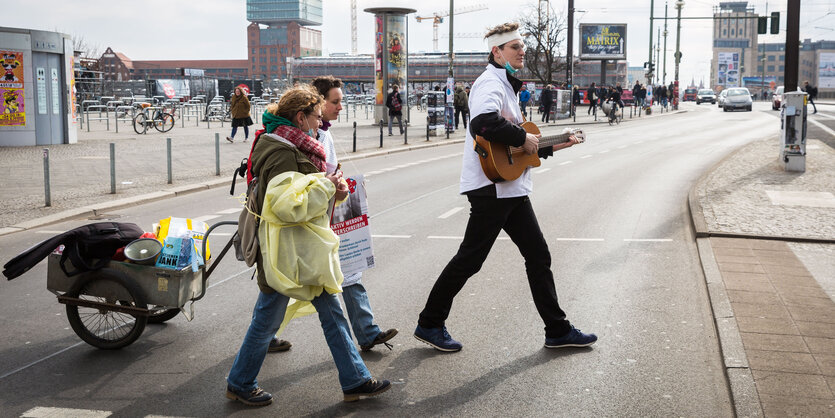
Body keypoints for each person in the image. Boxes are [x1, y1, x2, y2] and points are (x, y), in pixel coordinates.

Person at [413, 22, 597, 353]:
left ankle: (557, 329)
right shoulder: (490, 83)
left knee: (537, 255)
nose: (522, 51)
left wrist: (553, 145)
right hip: (490, 188)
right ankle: (429, 323)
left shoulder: (507, 86)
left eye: (522, 47)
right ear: (497, 52)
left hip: (509, 187)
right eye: (515, 47)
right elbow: (482, 123)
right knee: (471, 259)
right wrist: (523, 137)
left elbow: (515, 150)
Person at [225, 86, 391, 406]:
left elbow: (302, 195)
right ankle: (240, 381)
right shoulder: (283, 153)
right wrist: (328, 188)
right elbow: (287, 207)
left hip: (299, 250)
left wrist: (332, 190)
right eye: (316, 116)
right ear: (300, 117)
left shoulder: (286, 144)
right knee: (269, 319)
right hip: (287, 252)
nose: (319, 123)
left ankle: (354, 379)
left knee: (328, 313)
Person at [263, 75, 398, 354]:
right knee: (278, 294)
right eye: (335, 102)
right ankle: (259, 346)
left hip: (322, 218)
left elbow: (328, 173)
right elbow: (293, 189)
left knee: (346, 274)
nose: (340, 107)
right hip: (305, 224)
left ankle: (365, 336)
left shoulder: (321, 135)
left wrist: (344, 187)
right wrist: (331, 187)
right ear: (316, 105)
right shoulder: (295, 140)